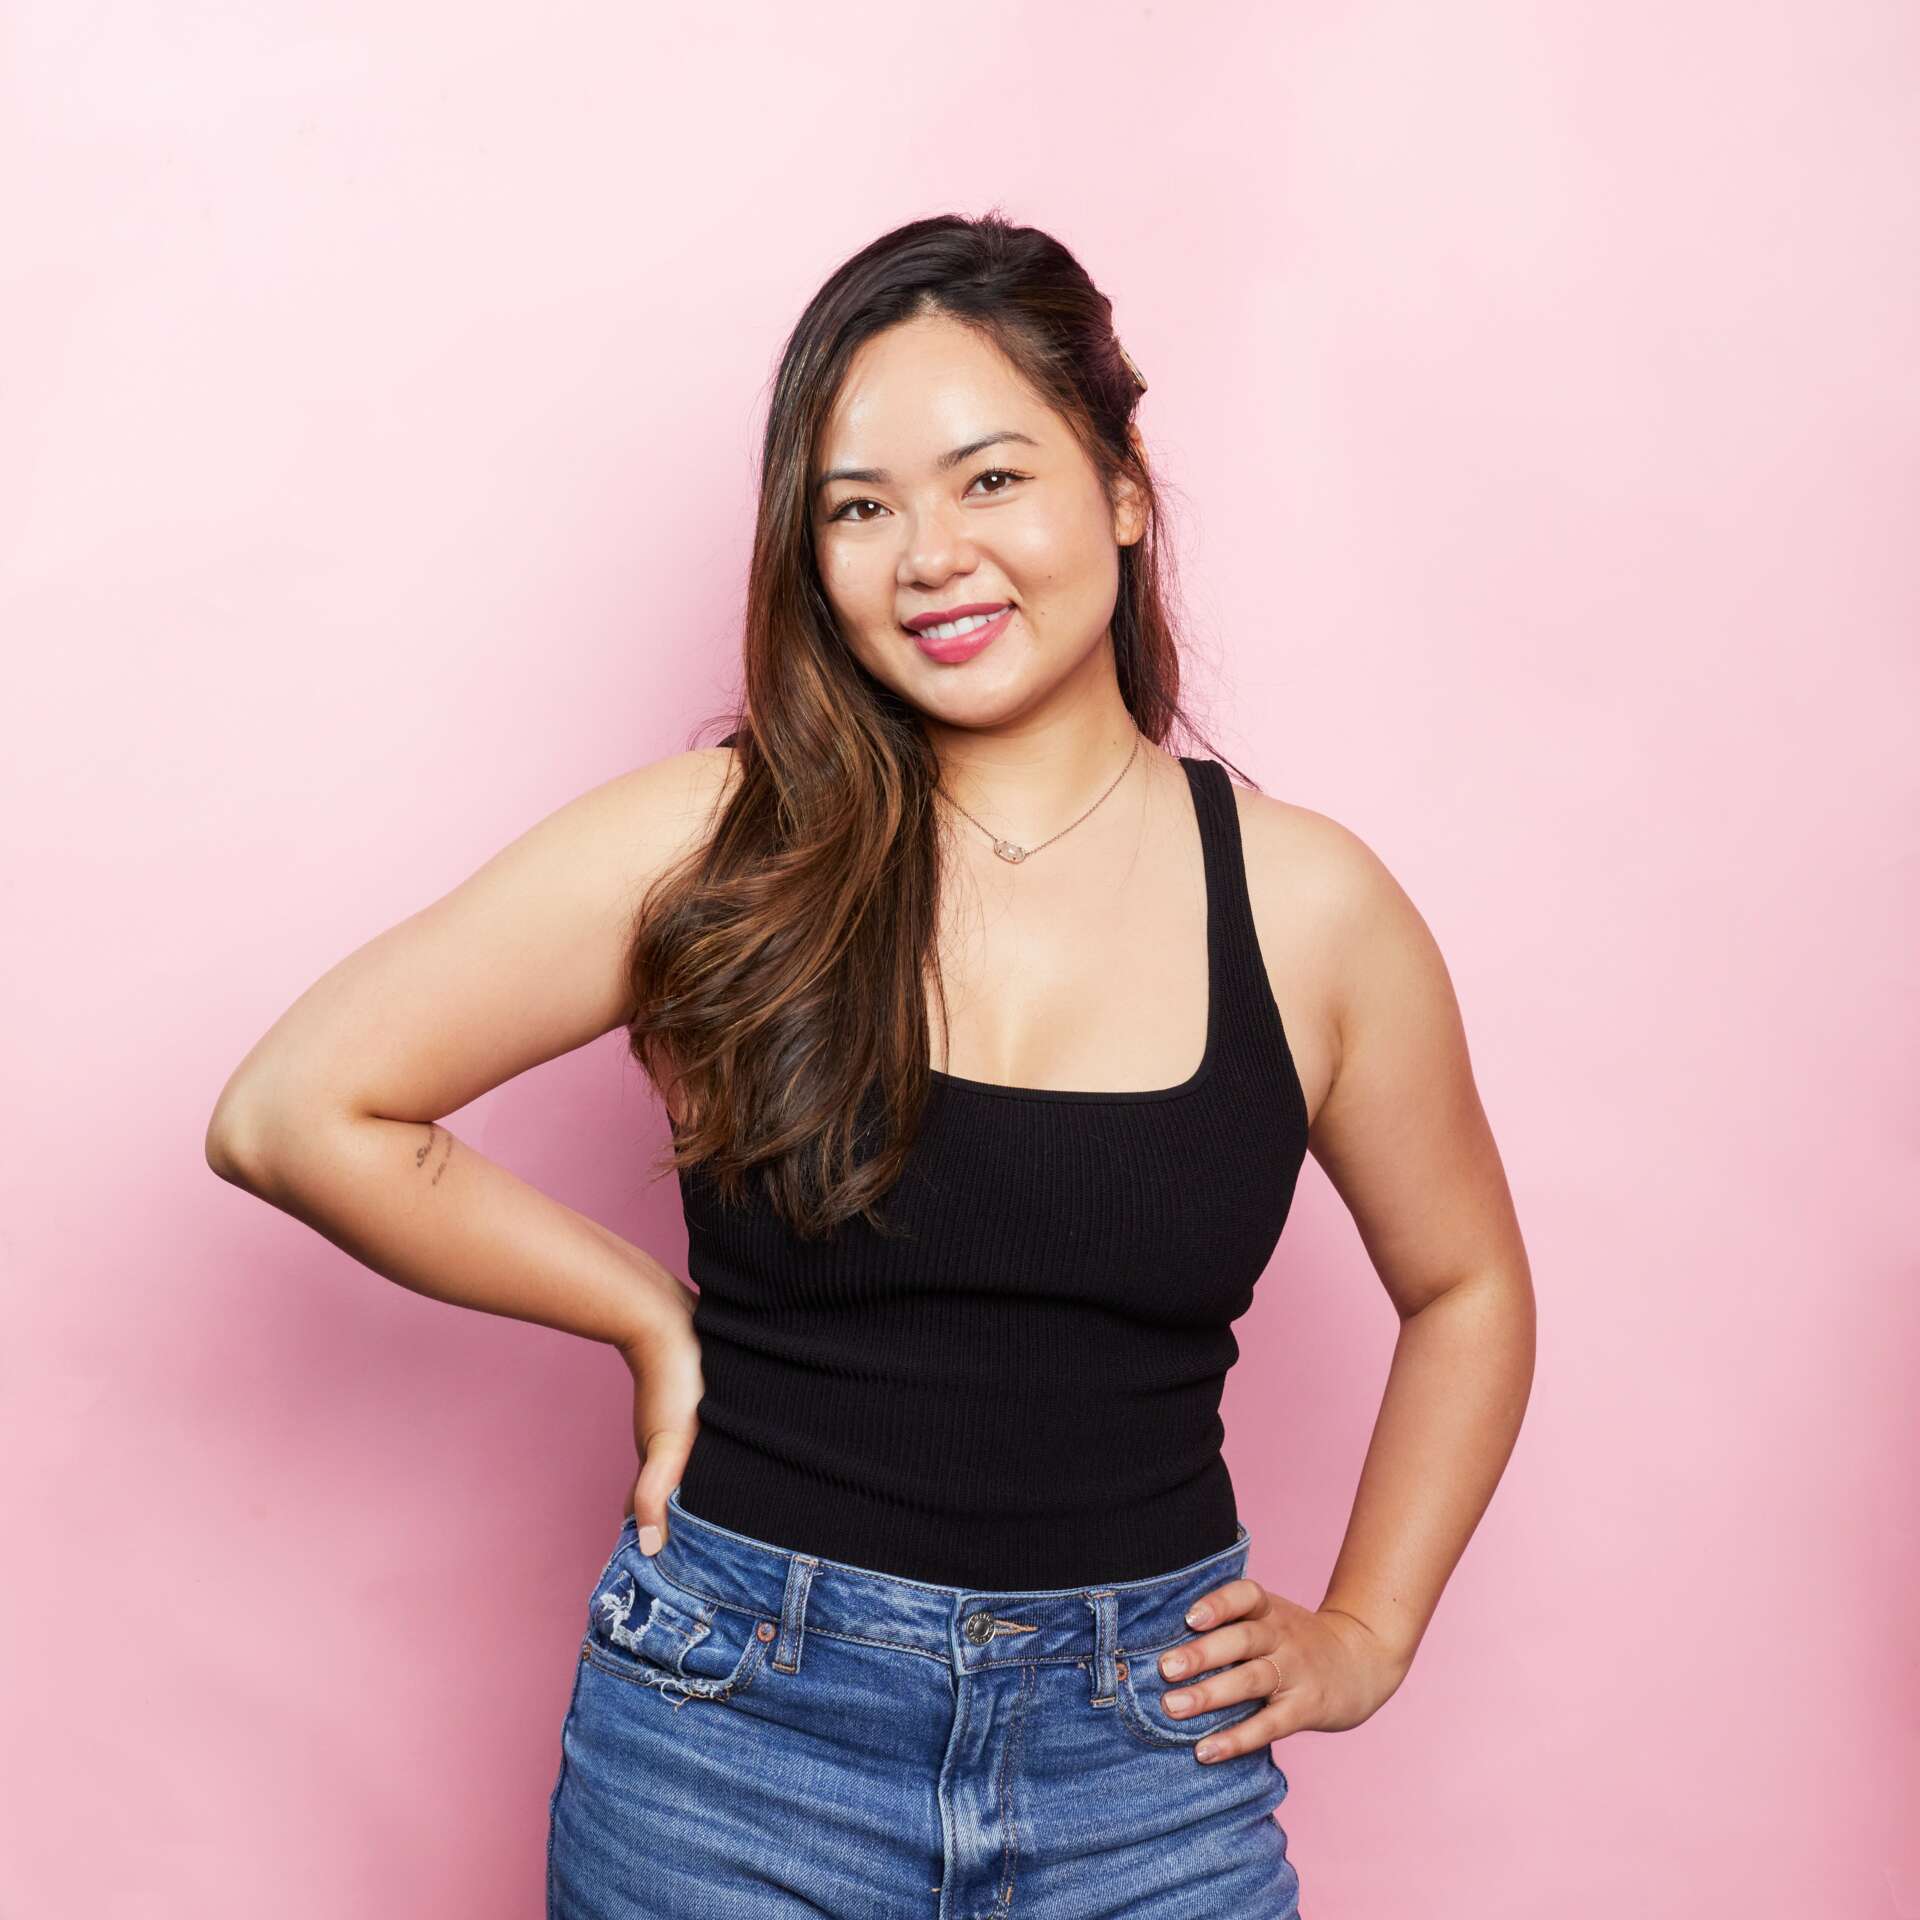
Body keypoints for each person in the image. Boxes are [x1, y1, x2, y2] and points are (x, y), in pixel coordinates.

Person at [206, 210, 1536, 1919]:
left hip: (1148, 1768)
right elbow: (292, 1110)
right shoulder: (719, 843)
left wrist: (1368, 1630)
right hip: (733, 1745)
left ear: (1124, 490)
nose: (930, 556)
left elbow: (1468, 1285)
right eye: (860, 507)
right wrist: (643, 1313)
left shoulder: (1310, 905)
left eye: (993, 479)